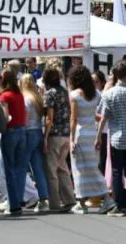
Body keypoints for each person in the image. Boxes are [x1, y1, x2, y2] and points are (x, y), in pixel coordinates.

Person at [96, 61, 126, 217]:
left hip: (117, 137)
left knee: (117, 171)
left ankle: (119, 204)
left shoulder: (109, 94)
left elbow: (103, 118)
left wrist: (98, 137)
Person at [65, 66, 110, 215]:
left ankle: (85, 201)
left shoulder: (74, 95)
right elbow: (100, 114)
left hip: (79, 133)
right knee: (91, 167)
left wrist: (71, 138)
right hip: (92, 133)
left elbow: (73, 118)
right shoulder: (96, 94)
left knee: (79, 169)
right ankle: (85, 201)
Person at [42, 67, 77, 212]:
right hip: (66, 134)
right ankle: (69, 199)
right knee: (62, 168)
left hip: (54, 134)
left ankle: (54, 202)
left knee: (51, 170)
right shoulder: (65, 92)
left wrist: (45, 137)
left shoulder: (50, 94)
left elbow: (49, 118)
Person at [20, 73, 50, 212]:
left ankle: (18, 198)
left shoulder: (26, 99)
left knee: (21, 167)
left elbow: (25, 119)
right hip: (38, 132)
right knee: (38, 169)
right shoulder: (38, 98)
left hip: (29, 133)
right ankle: (44, 199)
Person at [0, 69, 26, 216]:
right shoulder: (19, 94)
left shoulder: (5, 96)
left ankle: (13, 204)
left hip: (10, 131)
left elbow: (5, 116)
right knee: (20, 168)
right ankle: (19, 199)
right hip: (22, 131)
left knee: (9, 168)